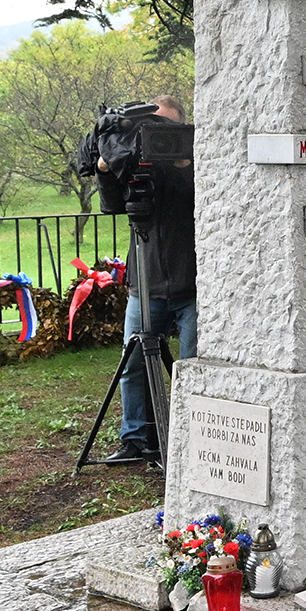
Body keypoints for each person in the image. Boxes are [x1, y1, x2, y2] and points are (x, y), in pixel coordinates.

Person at [106, 93, 194, 464]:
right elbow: (112, 204)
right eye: (151, 127)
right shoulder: (135, 163)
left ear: (183, 128)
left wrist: (181, 162)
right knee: (133, 366)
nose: (158, 135)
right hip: (146, 284)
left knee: (193, 365)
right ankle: (136, 439)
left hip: (192, 285)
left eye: (167, 127)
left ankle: (193, 437)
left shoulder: (197, 160)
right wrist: (105, 167)